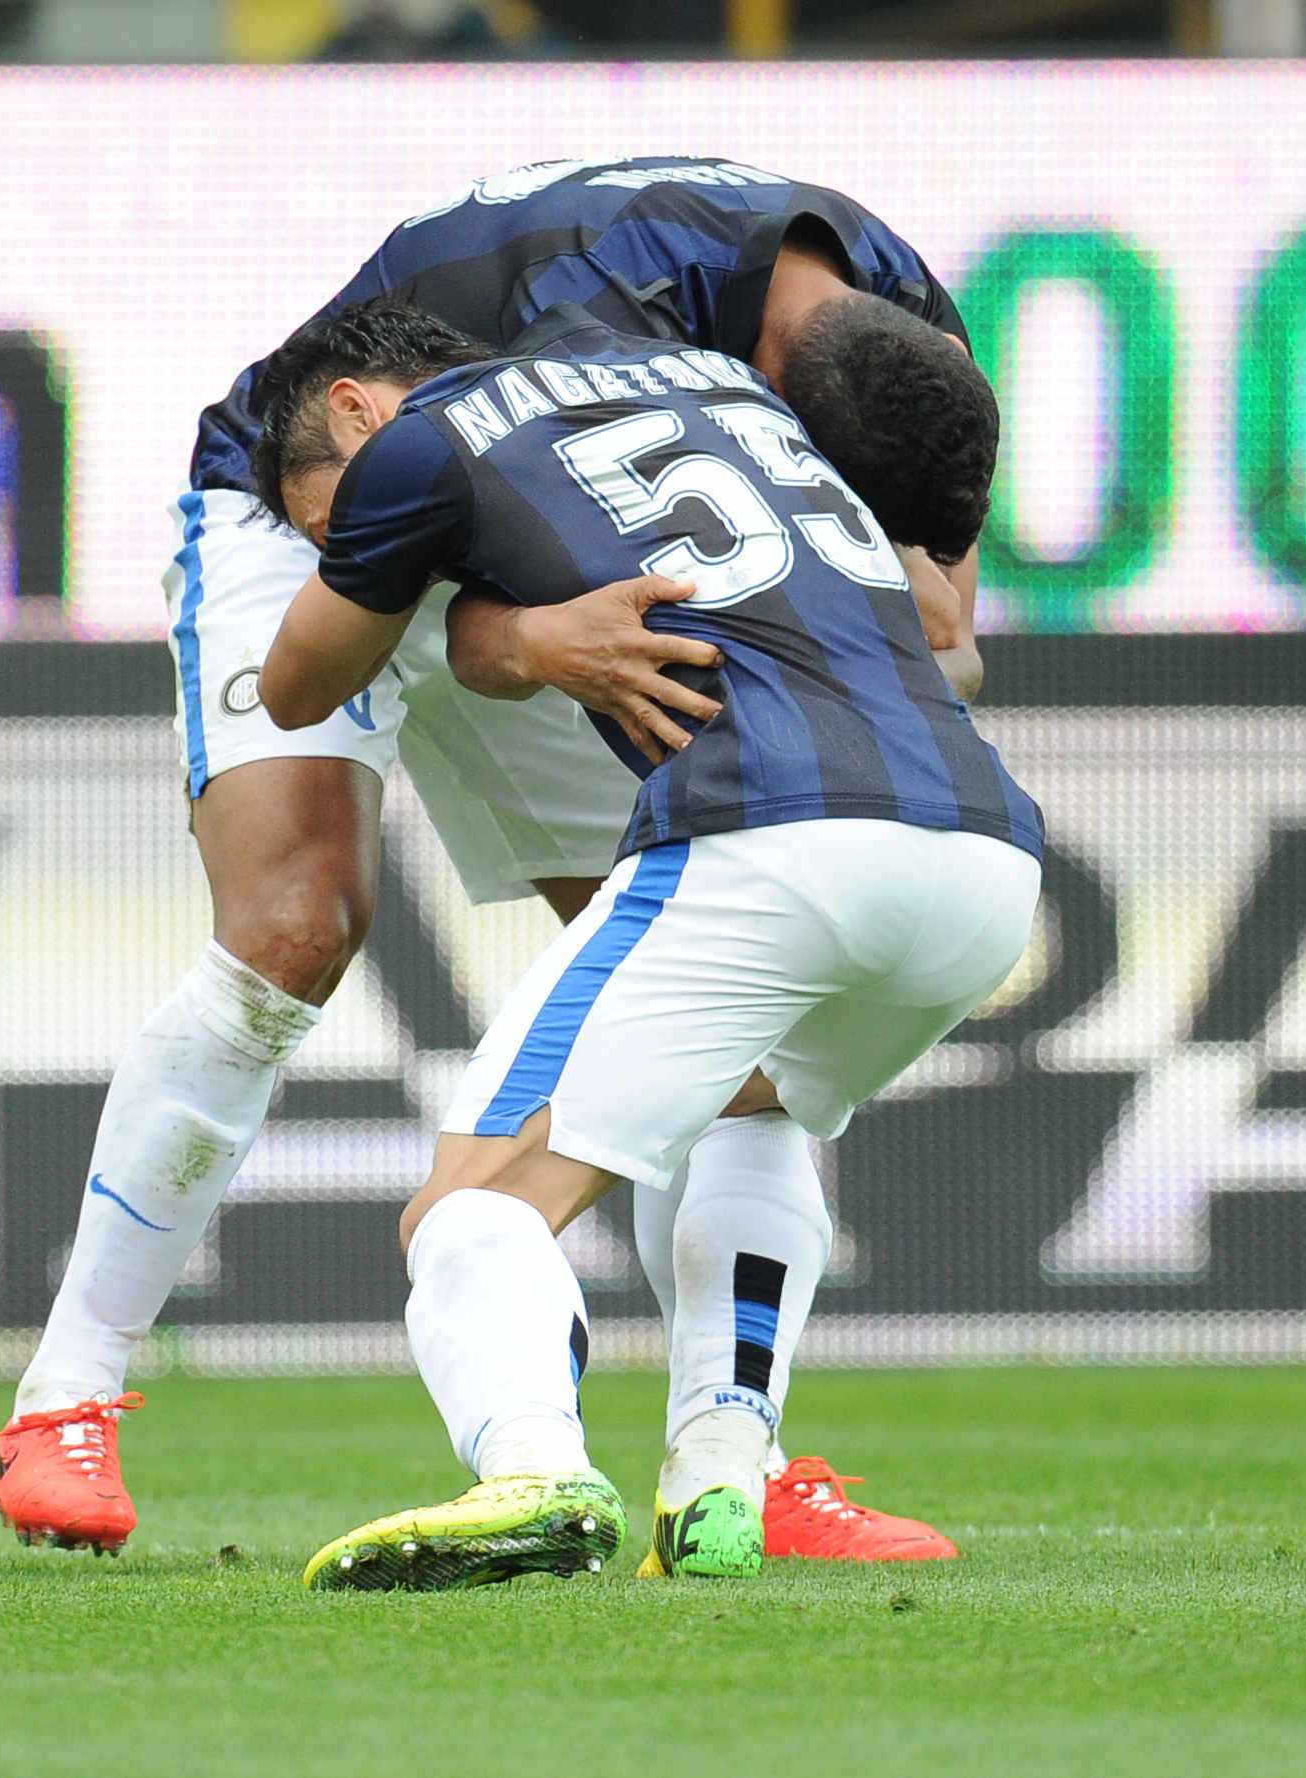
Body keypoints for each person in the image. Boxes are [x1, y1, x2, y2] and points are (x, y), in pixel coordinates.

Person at [0, 157, 997, 1561]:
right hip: (342, 504)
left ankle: (733, 1467)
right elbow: (382, 597)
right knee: (295, 921)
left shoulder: (906, 346)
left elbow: (941, 628)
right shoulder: (577, 309)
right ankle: (66, 1395)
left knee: (729, 1031)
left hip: (563, 566)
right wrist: (524, 635)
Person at [247, 298, 1040, 1587]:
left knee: (472, 1208)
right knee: (750, 1112)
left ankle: (534, 1473)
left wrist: (409, 583)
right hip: (984, 857)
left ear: (354, 407)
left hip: (767, 834)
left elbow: (297, 686)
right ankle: (719, 1480)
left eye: (321, 518)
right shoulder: (730, 392)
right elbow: (942, 636)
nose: (339, 539)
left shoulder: (424, 437)